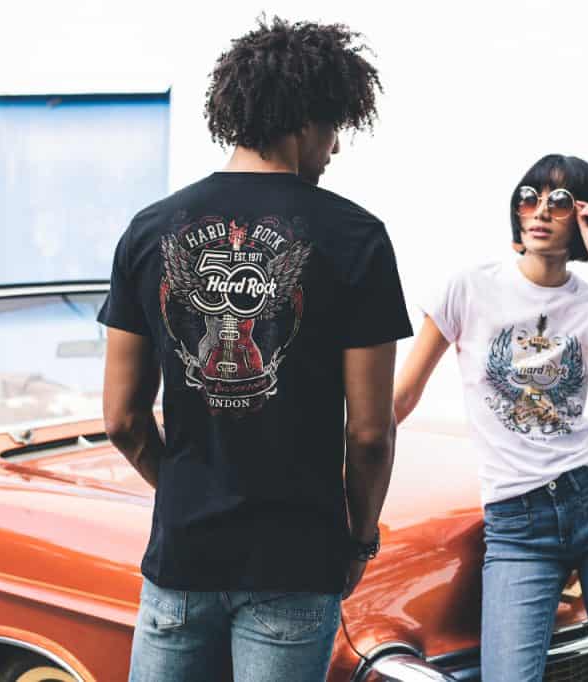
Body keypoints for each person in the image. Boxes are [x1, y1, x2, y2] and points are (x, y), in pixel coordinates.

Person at [99, 17, 412, 682]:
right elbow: (369, 433)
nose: (335, 148)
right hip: (296, 560)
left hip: (182, 557)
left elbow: (122, 419)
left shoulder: (149, 231)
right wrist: (360, 539)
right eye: (334, 127)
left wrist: (183, 493)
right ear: (305, 117)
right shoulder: (356, 238)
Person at [394, 154, 588, 681]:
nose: (540, 211)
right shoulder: (469, 287)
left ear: (582, 217)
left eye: (560, 201)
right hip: (517, 522)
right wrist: (342, 456)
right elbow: (402, 396)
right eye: (529, 198)